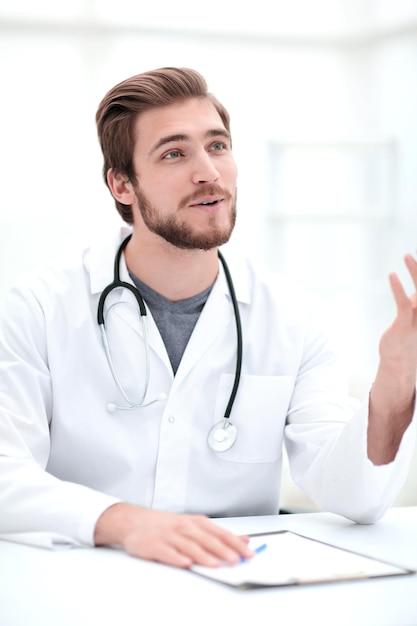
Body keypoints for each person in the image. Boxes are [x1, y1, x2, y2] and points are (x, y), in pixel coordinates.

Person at [0, 67, 416, 570]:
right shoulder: (39, 309)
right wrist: (126, 521)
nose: (208, 172)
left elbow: (356, 496)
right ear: (122, 184)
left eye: (217, 146)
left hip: (235, 585)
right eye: (174, 153)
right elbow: (6, 471)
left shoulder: (291, 316)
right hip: (83, 580)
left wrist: (396, 382)